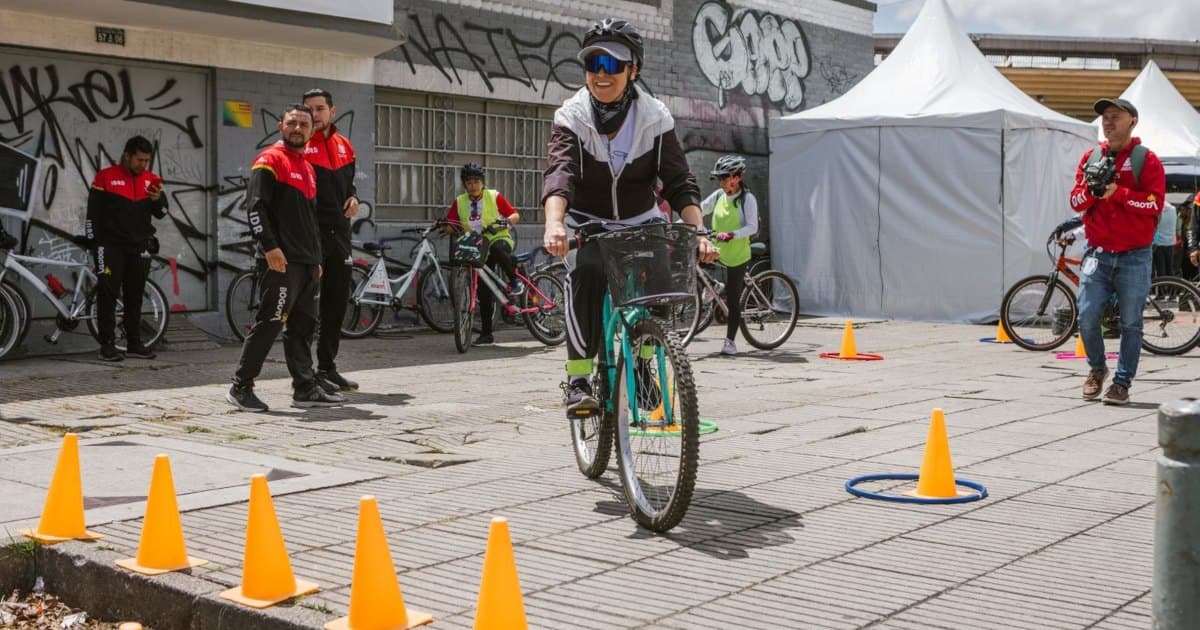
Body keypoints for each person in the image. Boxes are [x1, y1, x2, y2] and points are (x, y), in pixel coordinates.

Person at [542, 18, 718, 418]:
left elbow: (679, 182)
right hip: (588, 222)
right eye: (593, 65)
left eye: (613, 65)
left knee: (658, 285)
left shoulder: (654, 117)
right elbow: (560, 174)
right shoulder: (571, 116)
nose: (601, 75)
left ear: (633, 69)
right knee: (585, 273)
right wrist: (555, 223)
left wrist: (700, 232)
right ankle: (579, 379)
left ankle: (642, 363)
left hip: (641, 220)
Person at [226, 104, 344, 412]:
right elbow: (255, 208)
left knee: (303, 326)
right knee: (270, 322)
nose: (297, 128)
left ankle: (304, 388)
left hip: (307, 262)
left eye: (304, 124)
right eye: (292, 122)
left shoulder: (306, 166)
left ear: (311, 130)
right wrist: (270, 247)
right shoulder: (269, 160)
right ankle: (241, 387)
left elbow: (309, 219)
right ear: (281, 126)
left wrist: (317, 259)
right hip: (280, 260)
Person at [1068, 97, 1165, 406]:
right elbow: (1075, 203)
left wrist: (1119, 193)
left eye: (1115, 116)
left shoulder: (1146, 160)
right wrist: (1092, 193)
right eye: (1104, 117)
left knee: (1131, 323)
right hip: (1097, 253)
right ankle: (1098, 368)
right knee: (1087, 316)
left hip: (1135, 255)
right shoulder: (1090, 157)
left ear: (1132, 121)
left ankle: (1122, 383)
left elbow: (1154, 204)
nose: (1108, 122)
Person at [86, 135, 167, 362]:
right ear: (127, 156)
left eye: (146, 161)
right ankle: (107, 345)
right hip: (110, 247)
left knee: (135, 296)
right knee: (108, 295)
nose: (143, 165)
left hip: (139, 247)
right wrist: (94, 244)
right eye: (139, 160)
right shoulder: (105, 177)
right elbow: (92, 213)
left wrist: (158, 199)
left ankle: (134, 343)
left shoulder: (152, 180)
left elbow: (162, 213)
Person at [301, 88, 360, 393]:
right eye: (309, 109)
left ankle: (328, 368)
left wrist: (354, 199)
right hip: (310, 239)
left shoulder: (345, 146)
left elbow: (349, 188)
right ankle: (306, 375)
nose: (315, 114)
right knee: (309, 309)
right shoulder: (299, 147)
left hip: (340, 236)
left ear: (332, 111)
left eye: (320, 108)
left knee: (336, 305)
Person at [443, 162, 521, 347]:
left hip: (497, 239)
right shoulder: (460, 201)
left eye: (477, 182)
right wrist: (445, 227)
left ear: (483, 182)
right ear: (464, 184)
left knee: (497, 249)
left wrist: (505, 223)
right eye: (469, 182)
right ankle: (487, 335)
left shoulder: (493, 196)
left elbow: (514, 215)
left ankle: (514, 281)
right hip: (476, 246)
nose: (473, 186)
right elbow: (451, 223)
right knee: (484, 291)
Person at [700, 155, 759, 356]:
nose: (723, 182)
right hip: (717, 249)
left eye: (726, 178)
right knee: (692, 257)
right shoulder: (718, 196)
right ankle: (714, 285)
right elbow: (700, 210)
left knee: (734, 300)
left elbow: (753, 227)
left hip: (737, 254)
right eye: (721, 179)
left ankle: (730, 342)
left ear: (737, 178)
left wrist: (733, 234)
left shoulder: (746, 199)